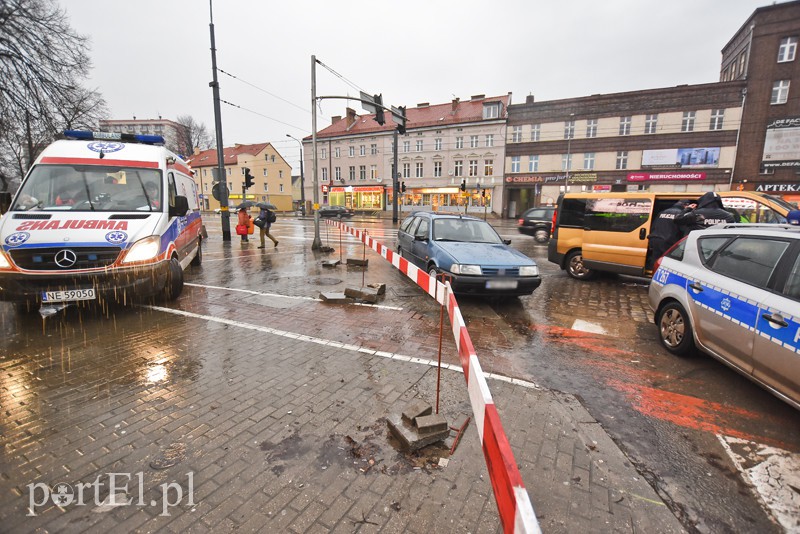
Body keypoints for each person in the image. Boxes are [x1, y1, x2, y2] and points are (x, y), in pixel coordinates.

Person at [647, 200, 689, 267]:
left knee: (655, 260)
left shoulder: (663, 212)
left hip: (655, 239)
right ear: (685, 205)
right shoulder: (681, 215)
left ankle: (653, 274)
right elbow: (683, 230)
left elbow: (654, 226)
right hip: (668, 241)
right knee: (666, 262)